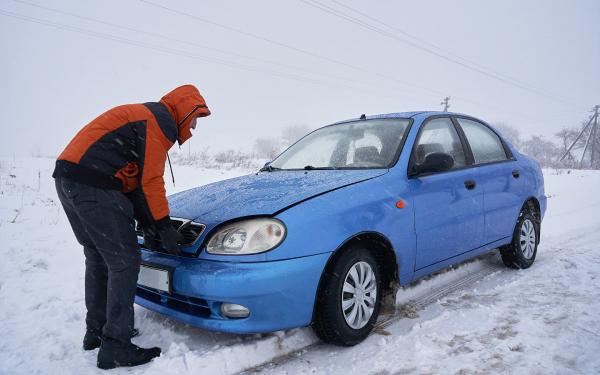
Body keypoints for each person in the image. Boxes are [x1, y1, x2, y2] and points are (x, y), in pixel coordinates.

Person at [52, 85, 211, 369]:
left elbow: (133, 181)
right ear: (184, 110)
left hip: (69, 177)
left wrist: (148, 222)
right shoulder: (157, 122)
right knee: (125, 260)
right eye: (196, 118)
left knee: (99, 257)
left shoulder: (142, 117)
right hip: (93, 184)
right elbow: (150, 181)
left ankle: (97, 332)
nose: (195, 126)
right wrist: (164, 227)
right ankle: (116, 345)